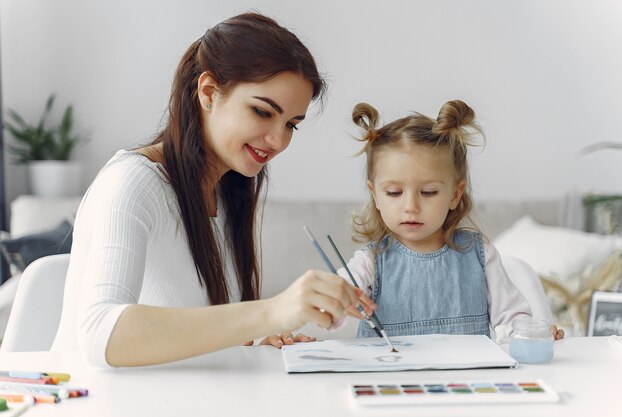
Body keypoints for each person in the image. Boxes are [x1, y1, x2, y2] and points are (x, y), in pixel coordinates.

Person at [51, 12, 373, 368]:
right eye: (263, 112)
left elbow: (190, 321)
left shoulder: (227, 192)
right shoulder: (133, 183)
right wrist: (270, 311)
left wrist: (255, 339)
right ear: (208, 92)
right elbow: (100, 335)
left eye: (291, 125)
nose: (278, 140)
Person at [336, 100, 564, 342]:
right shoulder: (369, 262)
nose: (411, 207)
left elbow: (512, 318)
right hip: (390, 377)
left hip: (464, 378)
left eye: (429, 192)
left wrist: (531, 331)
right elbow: (333, 304)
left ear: (455, 194)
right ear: (375, 196)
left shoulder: (481, 256)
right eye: (394, 193)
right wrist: (339, 297)